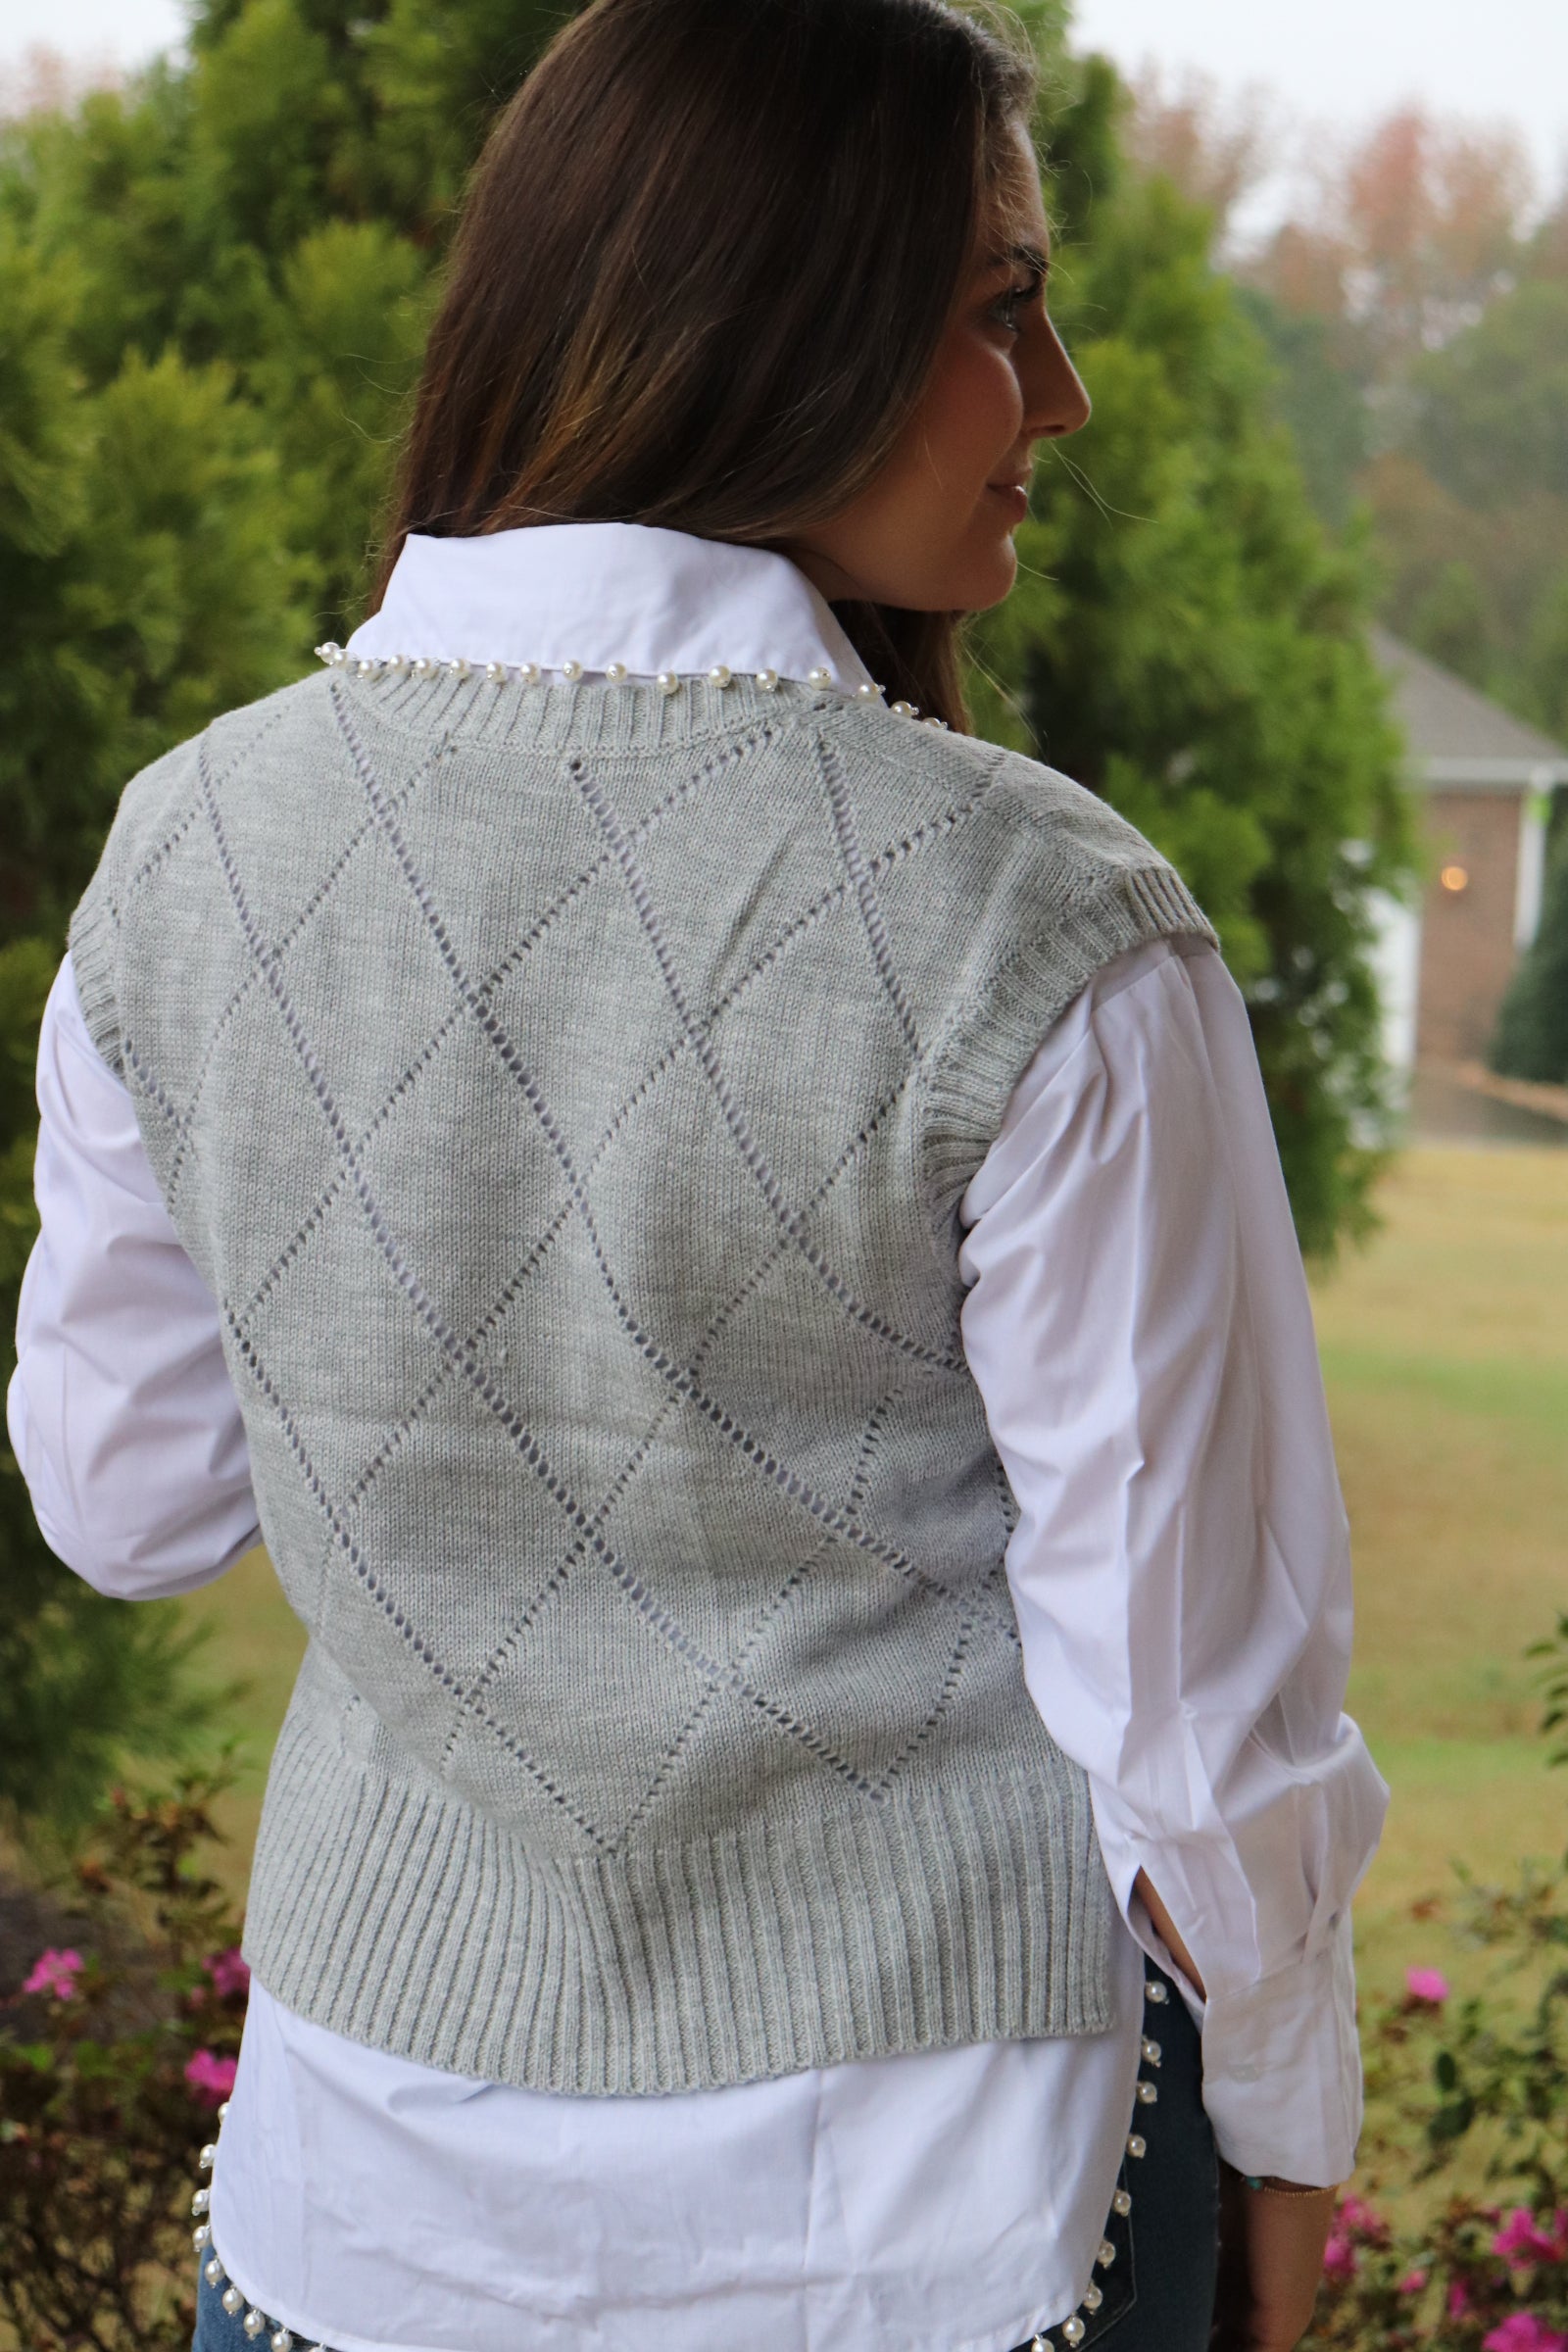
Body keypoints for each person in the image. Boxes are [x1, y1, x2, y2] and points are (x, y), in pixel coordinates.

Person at [8, 2, 1388, 2348]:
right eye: (992, 303)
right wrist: (1284, 2143)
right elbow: (1190, 1717)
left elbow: (123, 1502)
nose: (1055, 391)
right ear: (768, 322)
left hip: (364, 2213)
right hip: (938, 2223)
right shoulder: (1033, 924)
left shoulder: (188, 851)